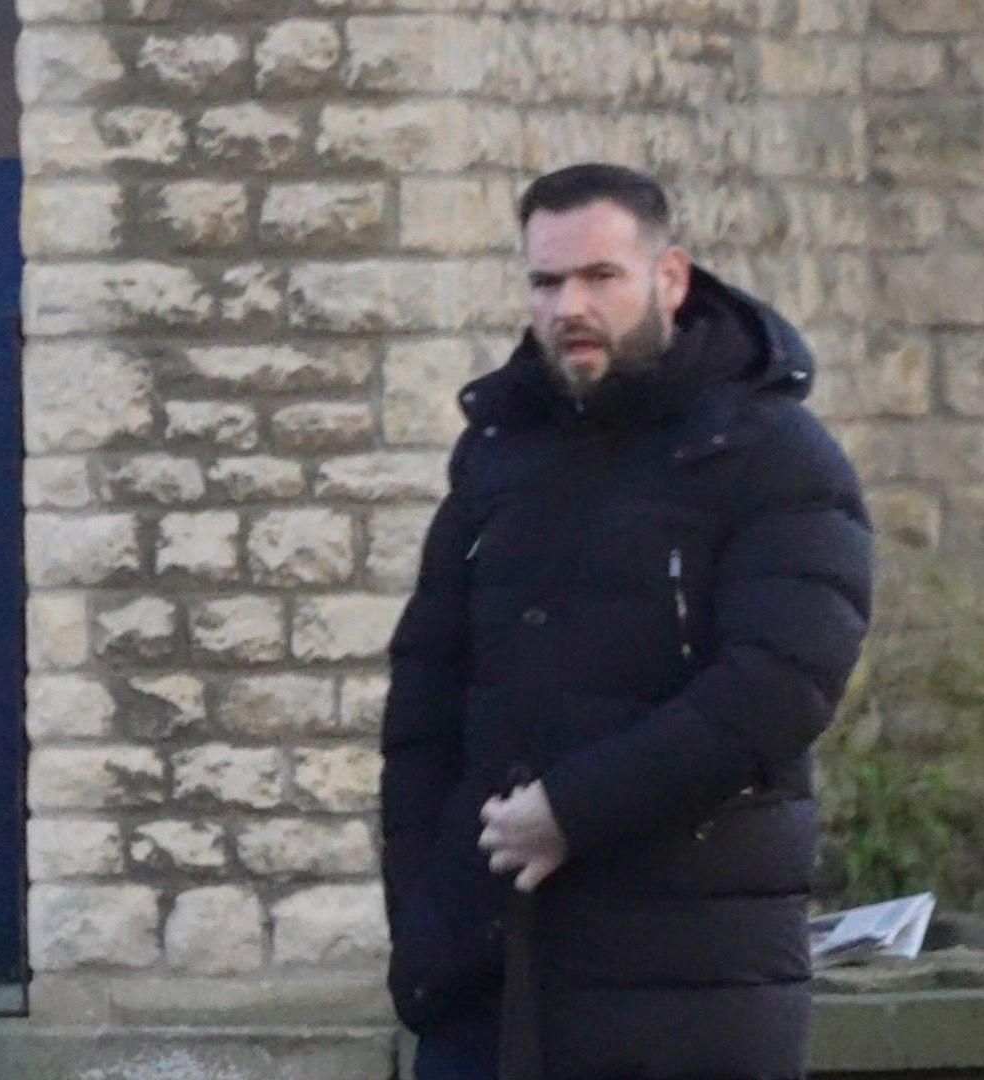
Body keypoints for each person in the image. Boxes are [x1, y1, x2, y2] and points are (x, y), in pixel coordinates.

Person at [379, 162, 874, 1080]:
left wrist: (573, 813)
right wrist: (424, 915)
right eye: (546, 281)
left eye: (600, 277)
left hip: (691, 983)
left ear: (670, 278)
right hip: (488, 982)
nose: (570, 305)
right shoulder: (496, 454)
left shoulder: (771, 455)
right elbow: (423, 702)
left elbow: (777, 688)